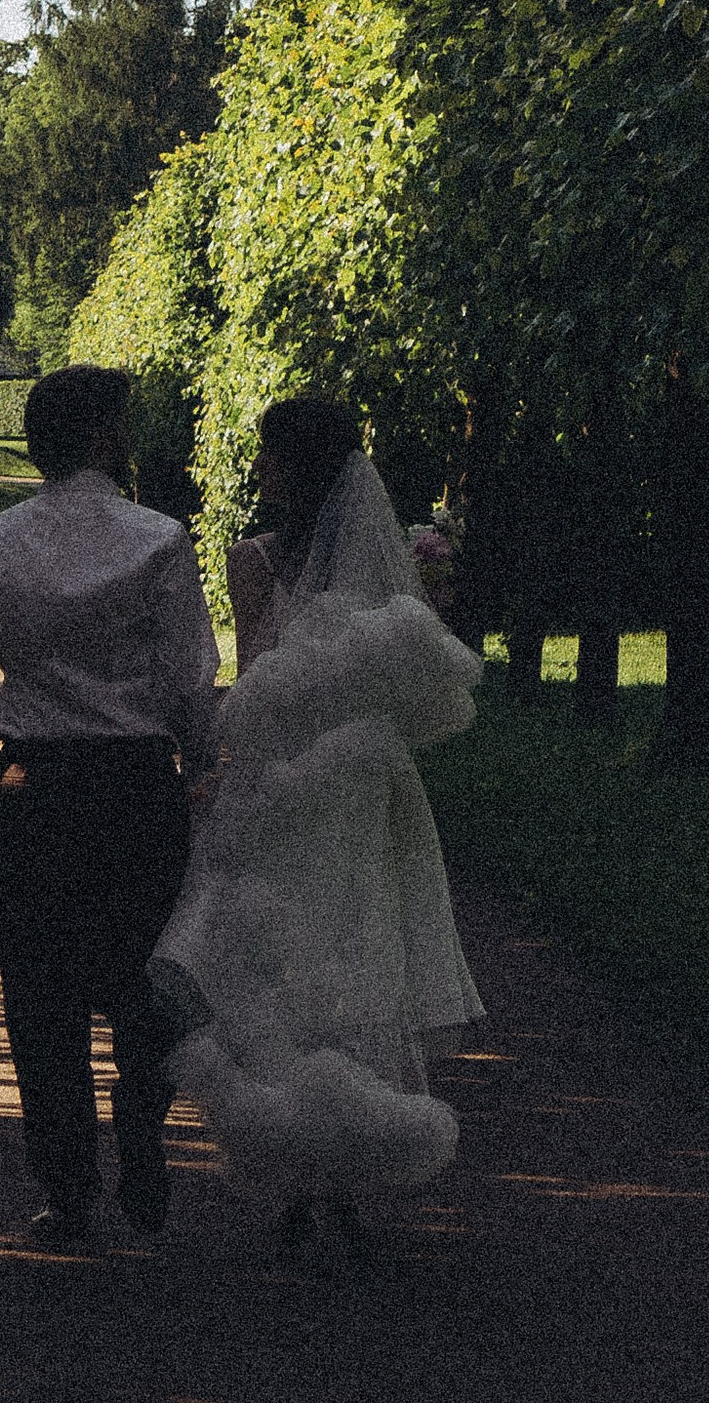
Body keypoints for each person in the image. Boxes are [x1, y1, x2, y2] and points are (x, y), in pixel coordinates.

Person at [152, 397, 484, 1260]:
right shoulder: (385, 561)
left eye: (268, 454)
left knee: (278, 963)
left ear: (293, 466)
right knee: (361, 950)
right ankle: (346, 1163)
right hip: (364, 782)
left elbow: (256, 683)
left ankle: (298, 1155)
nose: (259, 468)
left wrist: (218, 771)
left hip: (284, 781)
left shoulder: (253, 561)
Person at [0, 364, 220, 1248]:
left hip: (34, 791)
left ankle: (68, 1189)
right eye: (121, 424)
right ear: (98, 437)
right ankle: (143, 1122)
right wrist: (205, 775)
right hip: (135, 786)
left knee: (41, 1000)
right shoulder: (160, 540)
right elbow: (189, 682)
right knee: (146, 980)